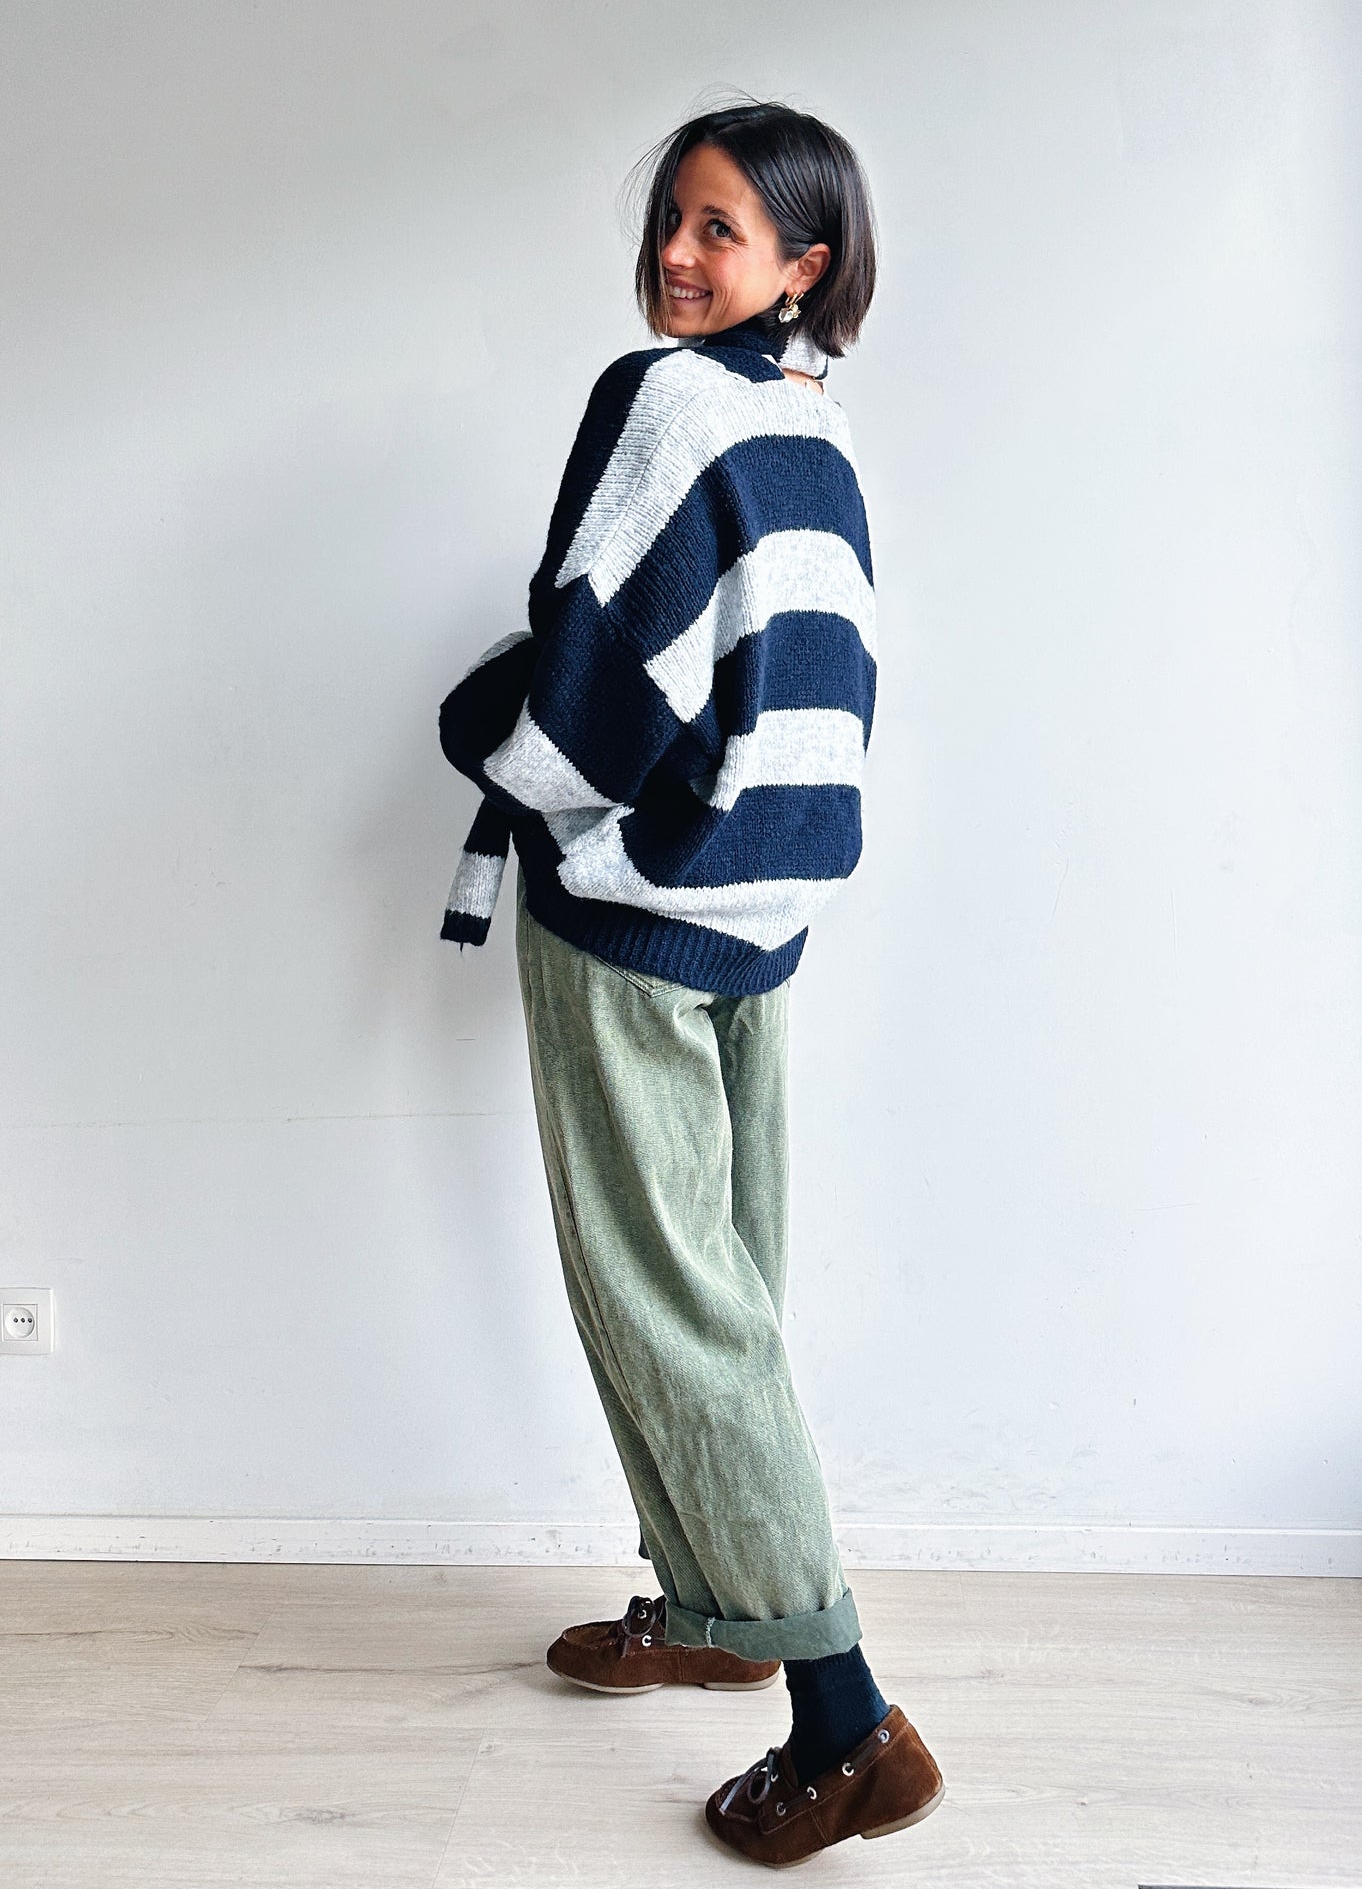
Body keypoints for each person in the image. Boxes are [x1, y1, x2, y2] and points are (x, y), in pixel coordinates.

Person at [437, 99, 944, 1867]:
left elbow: (590, 685)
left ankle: (843, 1718)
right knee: (724, 1284)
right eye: (668, 215)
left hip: (633, 919)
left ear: (805, 261)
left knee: (667, 1304)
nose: (674, 252)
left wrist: (484, 734)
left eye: (718, 228)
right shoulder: (818, 430)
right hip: (758, 908)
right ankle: (715, 1611)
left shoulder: (662, 401)